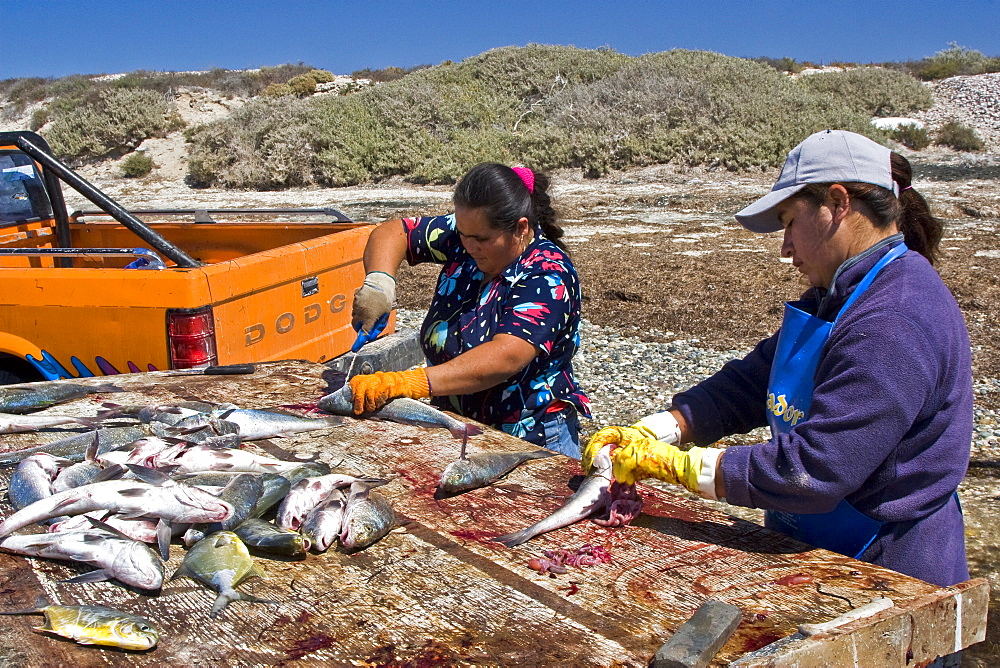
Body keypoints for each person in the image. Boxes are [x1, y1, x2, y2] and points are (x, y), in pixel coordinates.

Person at [583, 129, 972, 587]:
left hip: (891, 570)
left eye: (789, 222)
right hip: (816, 547)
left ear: (838, 203)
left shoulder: (894, 317)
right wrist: (659, 428)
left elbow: (815, 468)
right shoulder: (835, 295)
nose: (785, 247)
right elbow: (750, 384)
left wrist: (675, 465)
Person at [348, 162, 591, 457]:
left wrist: (409, 382)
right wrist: (379, 283)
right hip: (459, 427)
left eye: (481, 239)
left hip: (531, 438)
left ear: (521, 228)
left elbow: (505, 356)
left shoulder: (547, 273)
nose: (469, 245)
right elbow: (394, 232)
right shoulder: (467, 234)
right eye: (463, 234)